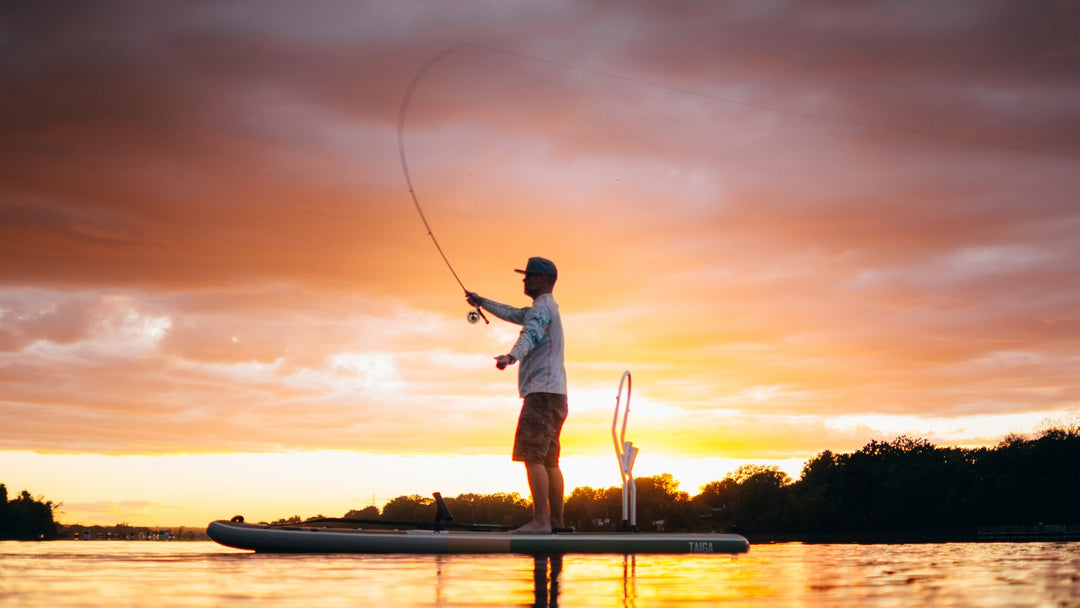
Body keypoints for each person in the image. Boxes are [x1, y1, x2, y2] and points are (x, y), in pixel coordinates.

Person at [466, 256, 567, 534]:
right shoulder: (546, 307)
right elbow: (513, 313)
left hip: (542, 395)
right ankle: (555, 521)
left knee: (532, 456)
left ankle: (541, 522)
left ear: (545, 280)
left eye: (530, 275)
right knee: (549, 460)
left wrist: (511, 356)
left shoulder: (540, 310)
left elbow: (530, 333)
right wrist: (481, 301)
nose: (525, 280)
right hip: (556, 395)